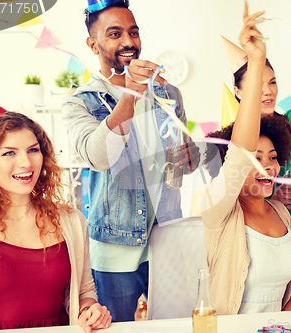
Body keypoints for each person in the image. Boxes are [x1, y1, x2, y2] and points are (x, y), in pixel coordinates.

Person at [62, 0, 199, 321]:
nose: (129, 42)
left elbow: (184, 163)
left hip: (167, 239)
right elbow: (98, 156)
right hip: (112, 250)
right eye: (115, 33)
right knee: (115, 329)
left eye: (133, 32)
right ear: (93, 44)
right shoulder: (81, 103)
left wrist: (189, 156)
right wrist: (131, 94)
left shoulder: (168, 94)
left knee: (174, 327)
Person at [223, 0, 291, 308]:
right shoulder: (233, 139)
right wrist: (272, 199)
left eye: (272, 82)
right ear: (238, 93)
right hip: (262, 237)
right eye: (258, 84)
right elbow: (228, 198)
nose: (268, 91)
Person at [201, 2, 291, 315]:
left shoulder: (281, 213)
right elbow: (239, 155)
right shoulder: (219, 211)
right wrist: (256, 60)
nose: (267, 166)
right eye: (256, 159)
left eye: (272, 157)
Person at [0, 112, 111, 332]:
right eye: (9, 152)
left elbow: (84, 292)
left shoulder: (71, 220)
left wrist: (89, 311)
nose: (25, 162)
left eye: (33, 150)